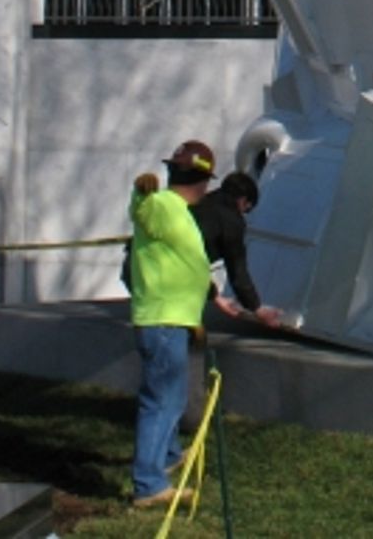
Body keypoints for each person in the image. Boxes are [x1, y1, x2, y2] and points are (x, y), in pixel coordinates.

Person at [128, 138, 216, 512]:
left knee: (171, 397)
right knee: (162, 400)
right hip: (164, 320)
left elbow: (184, 262)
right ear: (204, 181)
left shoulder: (177, 209)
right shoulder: (164, 205)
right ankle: (149, 484)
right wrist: (141, 194)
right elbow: (144, 211)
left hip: (174, 318)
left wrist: (195, 311)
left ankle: (166, 456)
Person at [191, 170, 281, 327]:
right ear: (243, 200)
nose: (243, 214)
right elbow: (237, 269)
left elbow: (190, 261)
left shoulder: (200, 202)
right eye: (247, 209)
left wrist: (215, 296)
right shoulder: (231, 221)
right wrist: (257, 308)